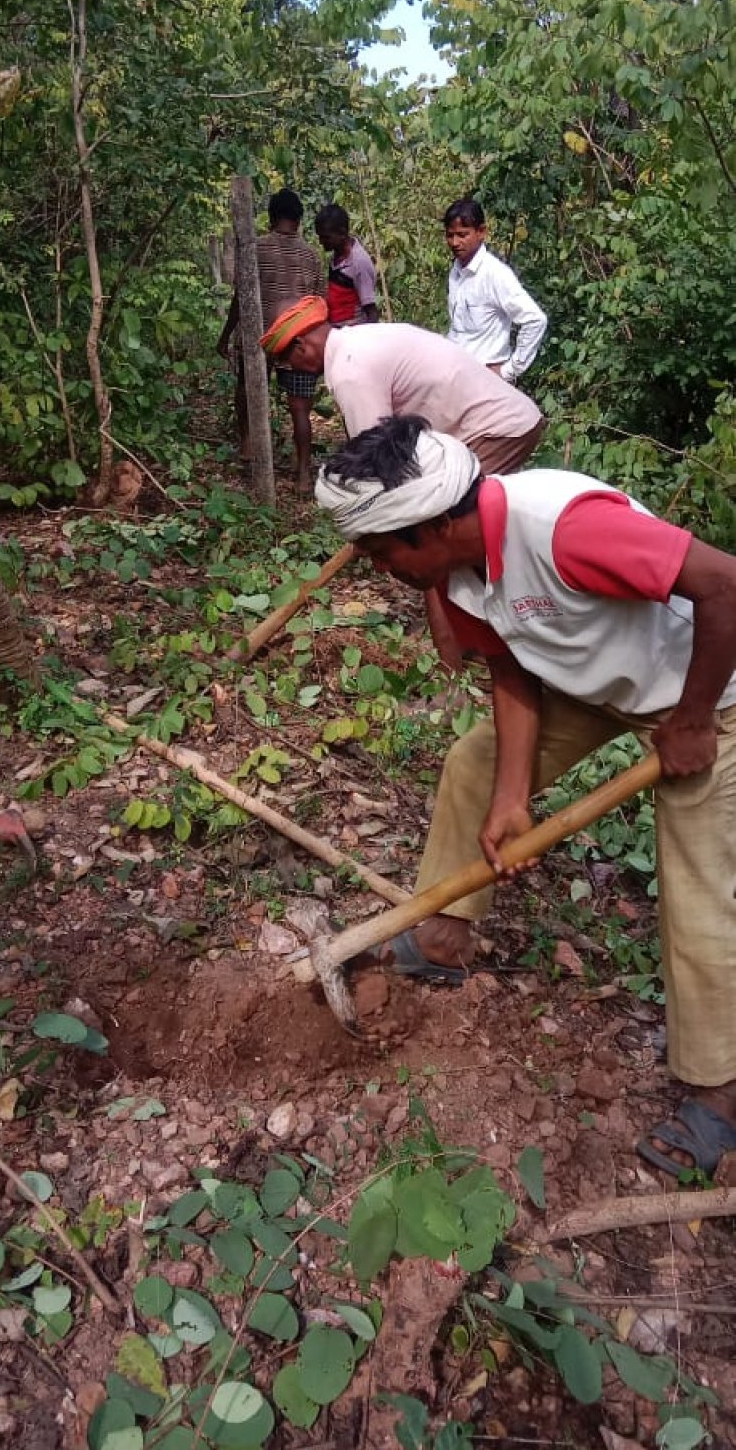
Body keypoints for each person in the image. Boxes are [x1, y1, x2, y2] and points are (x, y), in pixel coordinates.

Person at [315, 414, 736, 1179]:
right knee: (475, 765)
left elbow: (724, 582)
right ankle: (442, 938)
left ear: (432, 524)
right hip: (602, 688)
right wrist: (512, 796)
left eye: (381, 552)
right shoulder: (456, 573)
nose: (379, 569)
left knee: (698, 883)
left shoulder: (567, 529)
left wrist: (696, 717)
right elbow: (513, 672)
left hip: (711, 692)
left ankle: (720, 1098)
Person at [259, 298, 545, 665]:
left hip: (495, 429)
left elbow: (376, 476)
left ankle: (456, 663)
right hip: (494, 426)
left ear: (302, 347)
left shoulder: (349, 368)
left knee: (431, 546)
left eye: (287, 361)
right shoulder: (357, 346)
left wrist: (371, 530)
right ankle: (488, 645)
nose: (290, 369)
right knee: (444, 541)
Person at [217, 188, 325, 495]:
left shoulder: (256, 249)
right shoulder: (311, 256)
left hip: (260, 338)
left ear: (271, 216)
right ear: (299, 219)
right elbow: (319, 305)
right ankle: (303, 474)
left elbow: (242, 298)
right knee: (301, 409)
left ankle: (249, 448)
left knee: (247, 392)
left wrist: (226, 335)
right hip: (299, 341)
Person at [445, 197, 547, 382]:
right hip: (457, 378)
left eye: (462, 235)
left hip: (486, 381)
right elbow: (458, 330)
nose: (454, 242)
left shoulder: (495, 274)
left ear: (481, 232)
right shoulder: (456, 271)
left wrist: (509, 371)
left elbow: (535, 320)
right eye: (450, 235)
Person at [315, 204, 379, 326]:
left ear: (342, 233)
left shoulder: (359, 262)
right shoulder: (336, 257)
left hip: (354, 334)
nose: (321, 242)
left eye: (326, 237)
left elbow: (371, 311)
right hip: (338, 331)